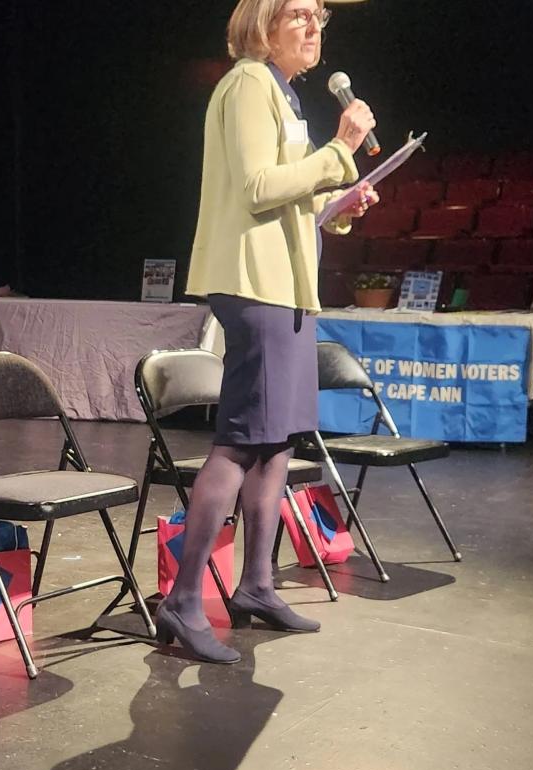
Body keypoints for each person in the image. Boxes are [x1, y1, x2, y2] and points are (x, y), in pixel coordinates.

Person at [156, 0, 379, 664]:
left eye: (320, 18)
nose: (315, 28)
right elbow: (257, 188)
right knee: (241, 440)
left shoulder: (282, 94)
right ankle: (184, 600)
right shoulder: (249, 83)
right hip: (254, 284)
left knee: (277, 439)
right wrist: (339, 150)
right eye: (300, 16)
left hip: (287, 285)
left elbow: (291, 197)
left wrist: (337, 205)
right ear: (263, 25)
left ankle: (255, 584)